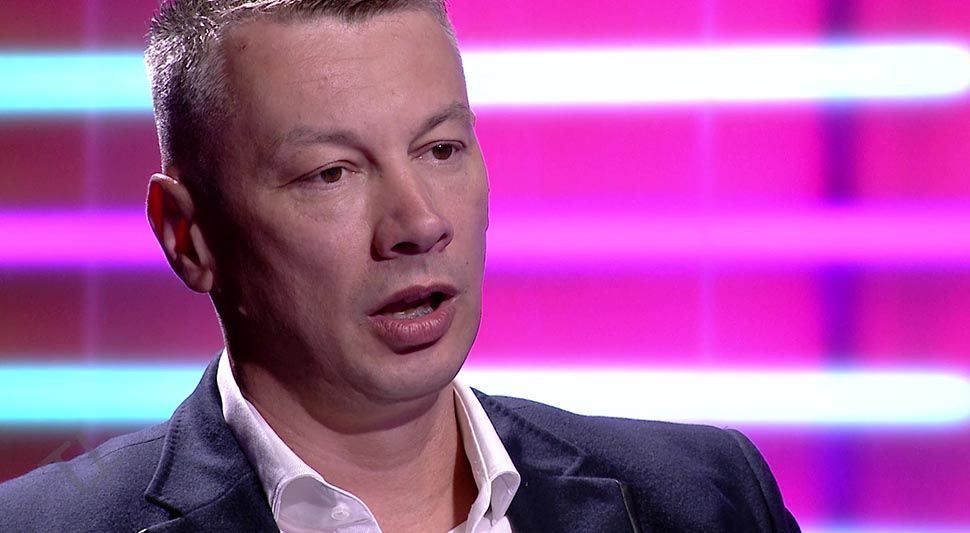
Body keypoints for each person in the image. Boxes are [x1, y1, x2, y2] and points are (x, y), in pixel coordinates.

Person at [0, 1, 800, 531]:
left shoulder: (707, 498)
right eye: (331, 172)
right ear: (187, 235)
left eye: (441, 149)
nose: (419, 223)